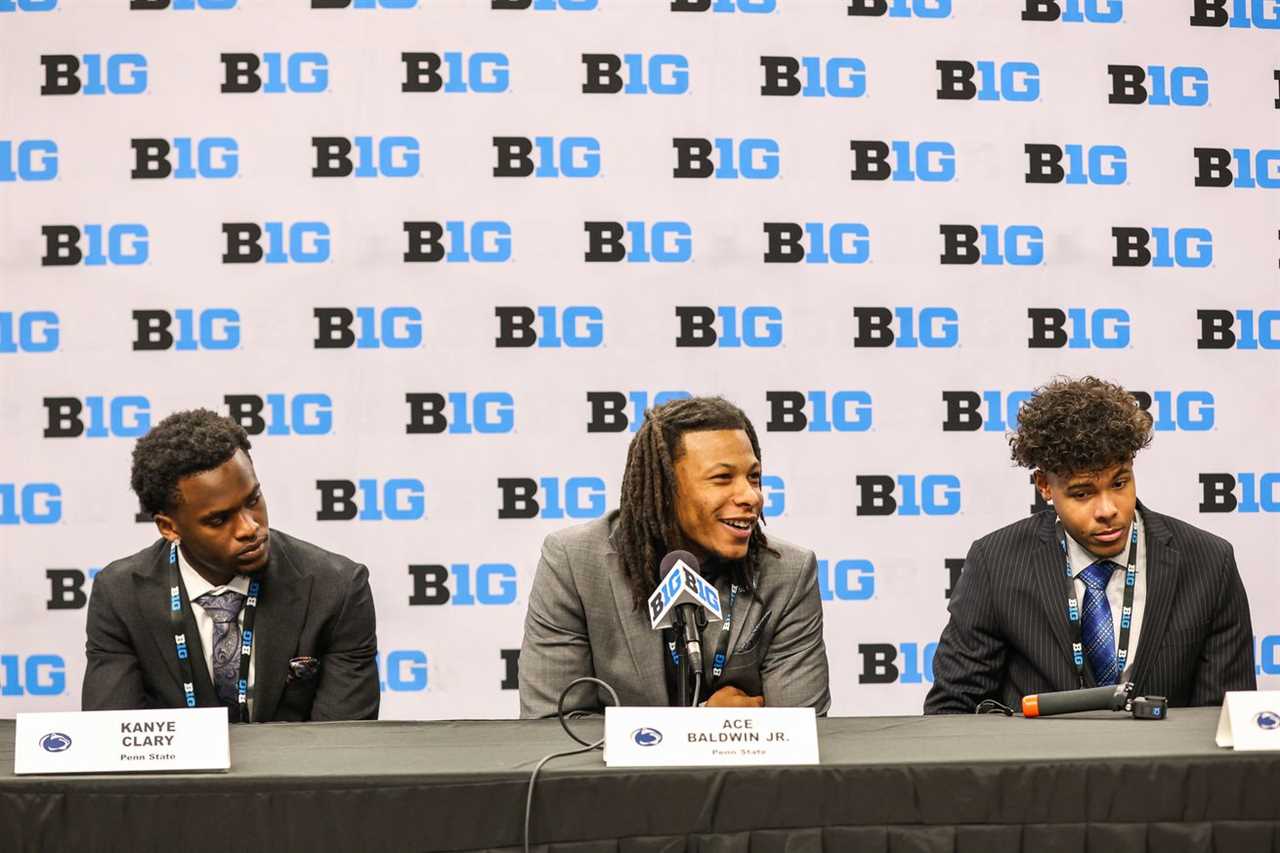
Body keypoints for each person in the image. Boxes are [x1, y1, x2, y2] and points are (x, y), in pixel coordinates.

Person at [925, 376, 1255, 714]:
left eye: (1120, 483)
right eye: (1082, 493)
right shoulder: (996, 562)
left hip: (1164, 767)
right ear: (1045, 486)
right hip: (1041, 765)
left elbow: (1227, 720)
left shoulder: (1210, 562)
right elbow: (952, 709)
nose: (1108, 510)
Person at [519, 396, 830, 717]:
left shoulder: (789, 573)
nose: (751, 496)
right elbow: (553, 727)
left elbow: (801, 733)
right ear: (666, 489)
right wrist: (701, 724)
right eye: (722, 478)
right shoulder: (574, 563)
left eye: (753, 477)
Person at [83, 409, 379, 722]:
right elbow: (113, 741)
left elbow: (341, 751)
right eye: (218, 519)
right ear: (169, 527)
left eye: (253, 500)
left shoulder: (337, 588)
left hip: (296, 770)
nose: (249, 528)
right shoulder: (120, 596)